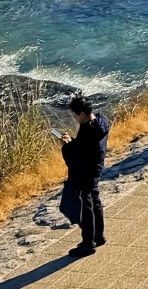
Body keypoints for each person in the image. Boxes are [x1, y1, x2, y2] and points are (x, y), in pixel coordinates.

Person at [59, 95, 109, 257]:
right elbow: (85, 148)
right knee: (95, 200)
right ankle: (98, 236)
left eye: (75, 115)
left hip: (85, 172)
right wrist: (74, 142)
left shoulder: (87, 131)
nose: (74, 118)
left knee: (85, 206)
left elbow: (77, 156)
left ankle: (88, 243)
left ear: (81, 114)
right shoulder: (101, 123)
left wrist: (66, 147)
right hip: (95, 168)